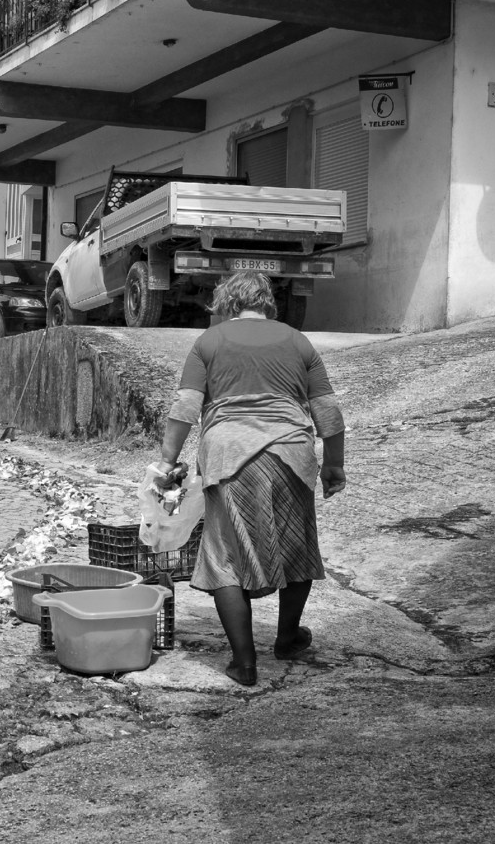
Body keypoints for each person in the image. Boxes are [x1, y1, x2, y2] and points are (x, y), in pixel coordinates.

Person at [152, 272, 346, 687]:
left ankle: (244, 663)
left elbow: (186, 406)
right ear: (267, 302)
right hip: (290, 453)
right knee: (297, 548)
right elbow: (327, 409)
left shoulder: (210, 341)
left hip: (229, 456)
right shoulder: (297, 340)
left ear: (227, 303)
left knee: (225, 556)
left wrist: (167, 461)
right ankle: (287, 638)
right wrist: (334, 464)